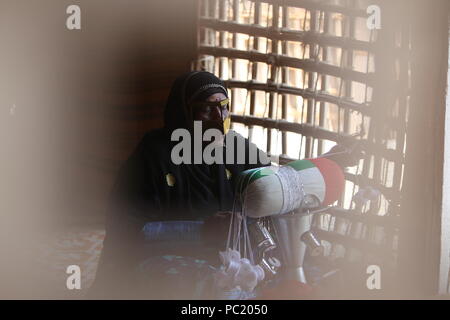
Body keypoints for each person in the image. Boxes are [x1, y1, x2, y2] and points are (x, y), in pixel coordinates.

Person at [89, 71, 363, 299]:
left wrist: (329, 161)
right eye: (206, 108)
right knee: (215, 289)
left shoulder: (233, 147)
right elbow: (128, 233)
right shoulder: (153, 156)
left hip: (226, 255)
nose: (219, 117)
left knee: (305, 273)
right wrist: (200, 231)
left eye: (224, 106)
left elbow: (277, 184)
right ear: (183, 113)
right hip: (162, 255)